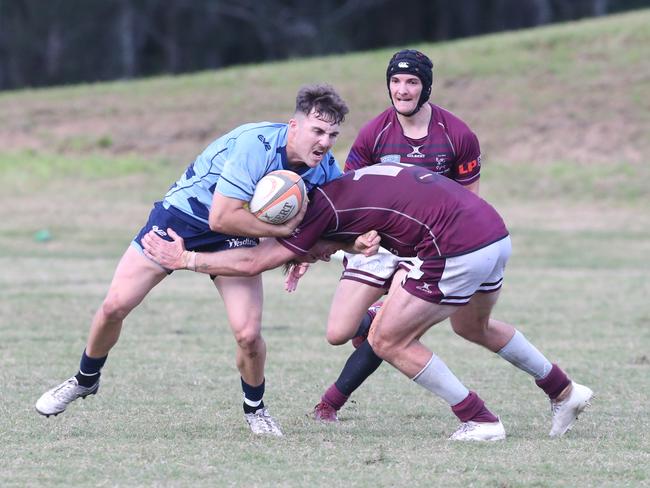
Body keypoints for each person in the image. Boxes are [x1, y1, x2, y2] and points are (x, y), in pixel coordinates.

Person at [141, 162, 593, 441]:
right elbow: (344, 235)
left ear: (290, 209)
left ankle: (480, 420)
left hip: (454, 247)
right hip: (493, 232)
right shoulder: (342, 187)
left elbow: (258, 261)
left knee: (386, 338)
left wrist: (186, 259)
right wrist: (312, 250)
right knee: (472, 327)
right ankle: (563, 390)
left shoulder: (320, 211)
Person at [34, 83, 349, 437]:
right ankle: (84, 379)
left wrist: (312, 249)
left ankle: (255, 409)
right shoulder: (256, 144)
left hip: (237, 233)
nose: (324, 142)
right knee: (114, 306)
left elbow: (337, 222)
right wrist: (290, 231)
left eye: (332, 134)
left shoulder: (325, 169)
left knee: (248, 334)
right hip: (183, 219)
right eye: (317, 131)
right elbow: (221, 218)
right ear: (294, 126)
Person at [302, 50, 586, 438]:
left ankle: (334, 402)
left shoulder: (457, 135)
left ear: (426, 86)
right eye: (396, 82)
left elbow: (470, 202)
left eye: (412, 82)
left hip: (438, 248)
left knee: (416, 332)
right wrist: (356, 240)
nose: (402, 90)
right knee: (341, 332)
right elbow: (356, 195)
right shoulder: (374, 133)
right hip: (383, 246)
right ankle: (561, 390)